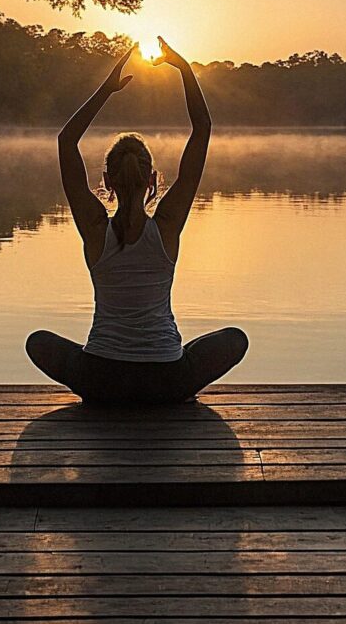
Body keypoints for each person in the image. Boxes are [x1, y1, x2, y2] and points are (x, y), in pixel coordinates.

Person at [26, 37, 248, 404]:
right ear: (153, 180)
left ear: (107, 182)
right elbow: (202, 128)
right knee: (234, 340)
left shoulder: (96, 229)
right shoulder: (166, 227)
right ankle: (167, 374)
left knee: (38, 343)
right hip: (166, 381)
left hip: (100, 380)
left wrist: (107, 90)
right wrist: (184, 70)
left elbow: (66, 141)